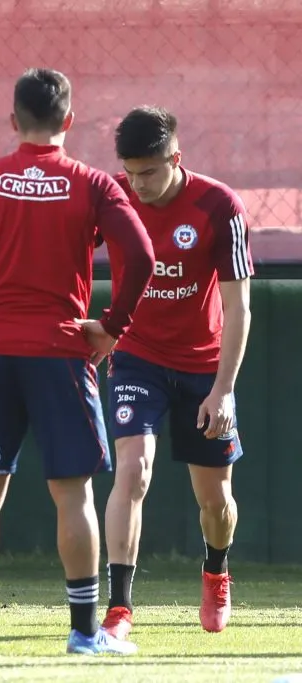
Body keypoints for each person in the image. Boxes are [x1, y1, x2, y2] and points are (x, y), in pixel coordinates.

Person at [0, 68, 156, 656]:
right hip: (60, 353)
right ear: (70, 121)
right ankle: (84, 632)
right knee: (73, 494)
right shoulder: (92, 184)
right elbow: (141, 255)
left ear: (13, 120)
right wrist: (112, 327)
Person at [100, 106, 253, 639]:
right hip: (136, 356)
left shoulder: (219, 206)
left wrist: (224, 390)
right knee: (132, 470)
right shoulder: (112, 197)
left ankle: (216, 571)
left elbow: (238, 307)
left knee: (215, 501)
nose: (138, 184)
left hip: (203, 367)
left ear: (176, 159)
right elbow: (64, 249)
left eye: (148, 172)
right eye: (130, 172)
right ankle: (119, 609)